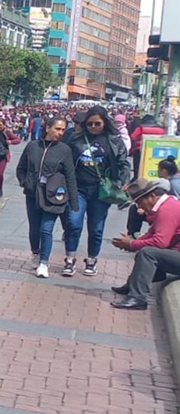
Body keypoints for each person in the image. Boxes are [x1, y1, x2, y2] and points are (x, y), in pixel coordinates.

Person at [64, 106, 132, 278]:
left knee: (96, 228)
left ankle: (91, 259)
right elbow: (65, 160)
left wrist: (123, 180)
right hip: (78, 188)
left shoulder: (114, 140)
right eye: (90, 124)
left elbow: (123, 163)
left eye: (97, 123)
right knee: (73, 223)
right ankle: (70, 258)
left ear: (104, 123)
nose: (93, 127)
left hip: (101, 190)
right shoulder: (76, 139)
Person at [15, 117, 76, 278]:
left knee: (46, 229)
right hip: (33, 194)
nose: (60, 132)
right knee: (34, 229)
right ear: (48, 128)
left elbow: (70, 176)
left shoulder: (64, 150)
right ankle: (35, 252)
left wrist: (73, 201)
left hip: (54, 196)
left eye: (63, 129)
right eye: (57, 128)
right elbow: (21, 168)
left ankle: (43, 263)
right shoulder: (32, 146)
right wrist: (25, 183)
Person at [108, 179, 180, 311]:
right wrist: (132, 243)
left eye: (141, 203)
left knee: (147, 253)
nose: (141, 208)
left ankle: (138, 298)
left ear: (152, 196)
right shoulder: (167, 204)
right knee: (144, 250)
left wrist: (132, 244)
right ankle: (132, 285)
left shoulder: (167, 210)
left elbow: (160, 242)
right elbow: (151, 233)